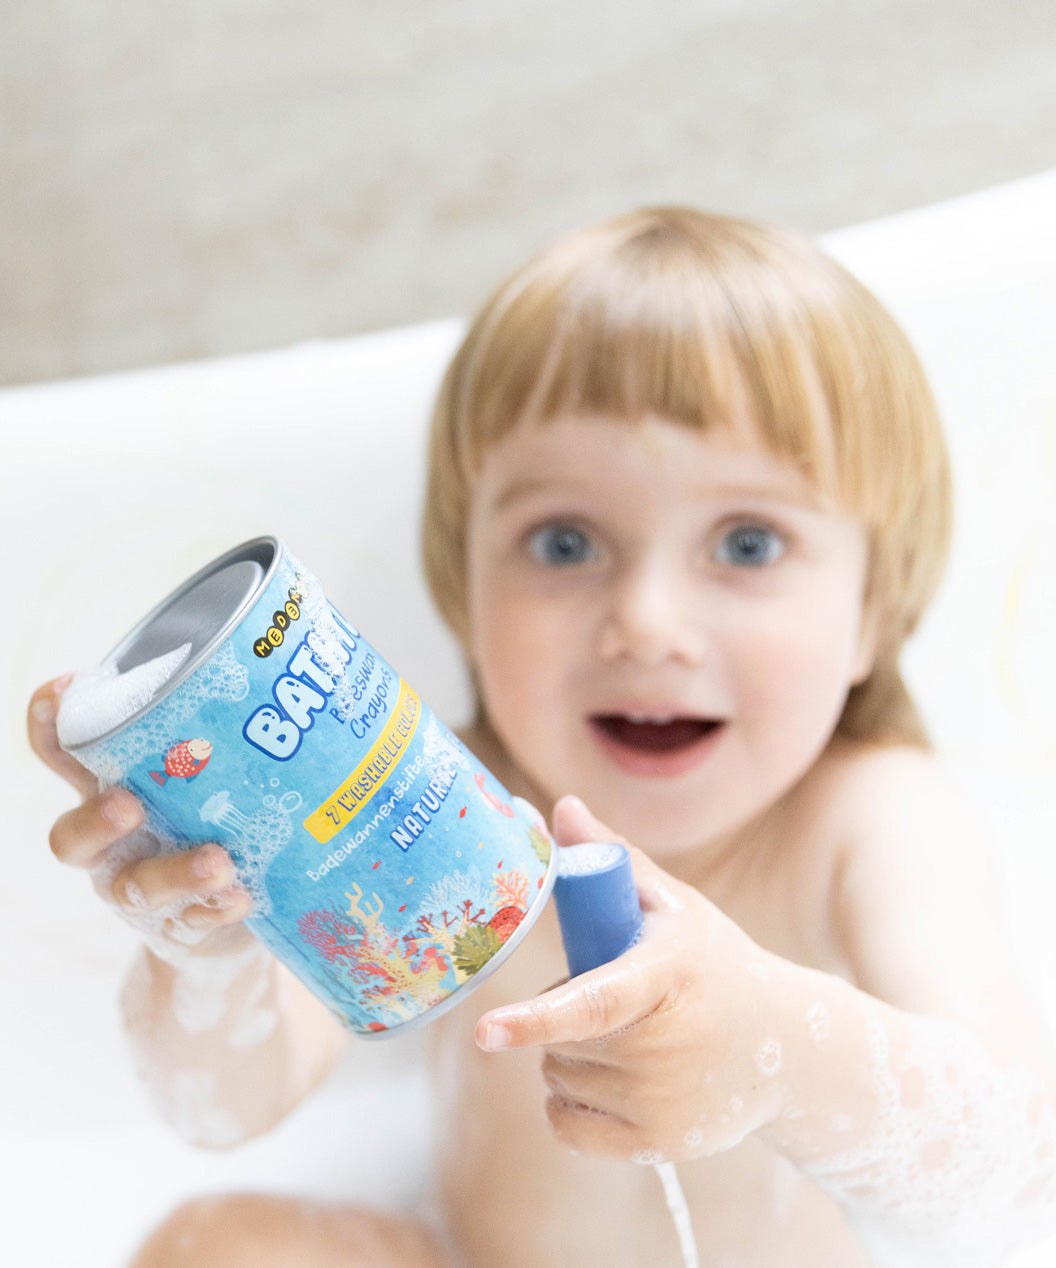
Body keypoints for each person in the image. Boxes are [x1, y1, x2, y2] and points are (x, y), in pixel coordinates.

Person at [28, 207, 1056, 1268]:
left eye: (748, 542)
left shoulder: (869, 815)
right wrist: (209, 953)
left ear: (877, 613)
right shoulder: (432, 812)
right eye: (565, 542)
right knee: (213, 1246)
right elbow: (220, 1111)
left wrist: (780, 1048)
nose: (648, 621)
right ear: (464, 596)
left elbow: (1023, 1162)